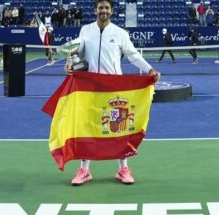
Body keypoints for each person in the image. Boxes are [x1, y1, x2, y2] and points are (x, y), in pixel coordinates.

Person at [64, 0, 160, 186]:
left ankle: (123, 169)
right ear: (95, 10)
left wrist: (149, 70)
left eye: (107, 8)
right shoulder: (86, 30)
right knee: (87, 128)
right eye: (100, 7)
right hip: (90, 88)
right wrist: (69, 62)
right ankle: (84, 170)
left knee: (119, 128)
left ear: (112, 11)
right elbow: (78, 51)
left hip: (114, 89)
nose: (104, 11)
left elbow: (133, 55)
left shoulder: (120, 33)